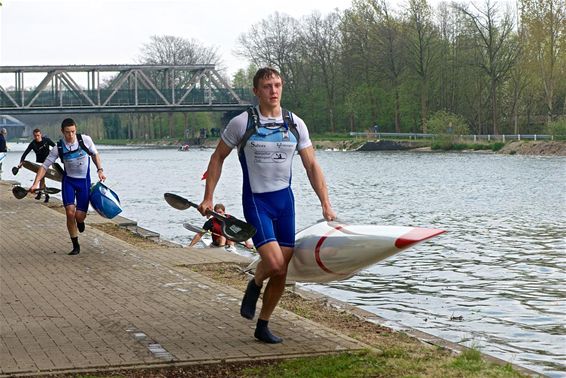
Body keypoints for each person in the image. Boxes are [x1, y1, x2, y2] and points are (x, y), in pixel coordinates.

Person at [197, 67, 336, 344]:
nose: (273, 91)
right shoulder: (242, 123)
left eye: (277, 85)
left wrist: (326, 204)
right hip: (257, 202)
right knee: (273, 263)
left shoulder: (295, 123)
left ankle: (263, 324)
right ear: (256, 91)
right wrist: (208, 197)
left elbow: (311, 165)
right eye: (267, 86)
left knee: (282, 271)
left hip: (285, 203)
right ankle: (255, 282)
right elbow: (217, 158)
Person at [29, 118, 106, 255]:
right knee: (70, 213)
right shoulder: (58, 147)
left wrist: (100, 170)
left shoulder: (85, 140)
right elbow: (44, 166)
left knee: (79, 216)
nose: (70, 135)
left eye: (73, 132)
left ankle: (80, 221)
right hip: (69, 182)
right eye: (67, 132)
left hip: (84, 182)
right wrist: (35, 183)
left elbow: (95, 155)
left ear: (76, 130)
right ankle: (76, 245)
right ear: (62, 132)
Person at [18, 128, 56, 202]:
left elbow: (56, 147)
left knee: (41, 178)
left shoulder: (46, 140)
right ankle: (45, 194)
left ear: (40, 134)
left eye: (38, 135)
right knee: (41, 178)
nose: (37, 137)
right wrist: (21, 162)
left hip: (47, 162)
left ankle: (41, 193)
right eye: (35, 136)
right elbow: (25, 153)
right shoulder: (33, 143)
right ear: (33, 136)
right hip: (39, 163)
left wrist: (53, 155)